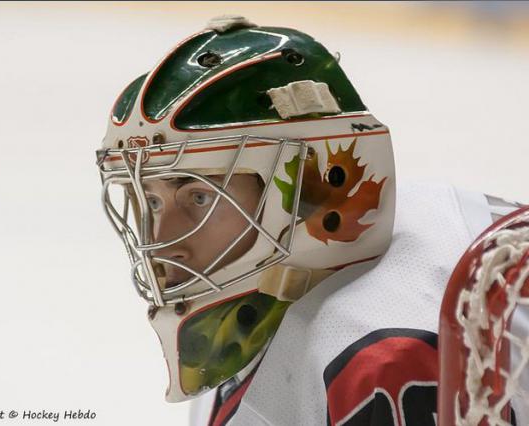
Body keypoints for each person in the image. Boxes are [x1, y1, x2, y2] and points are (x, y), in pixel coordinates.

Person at [95, 16, 525, 425]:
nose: (163, 242)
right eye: (150, 201)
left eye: (200, 197)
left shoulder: (383, 355)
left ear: (308, 193)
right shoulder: (258, 308)